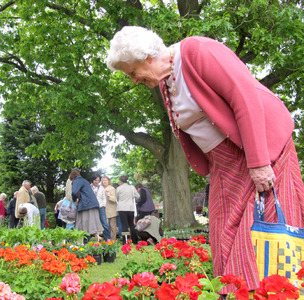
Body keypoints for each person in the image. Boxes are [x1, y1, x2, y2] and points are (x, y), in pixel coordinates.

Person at [106, 26, 304, 294]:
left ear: (147, 57)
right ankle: (233, 292)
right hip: (224, 167)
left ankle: (270, 293)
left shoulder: (197, 51)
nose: (133, 80)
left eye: (132, 72)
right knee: (224, 237)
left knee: (256, 235)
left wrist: (259, 163)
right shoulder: (167, 81)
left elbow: (245, 98)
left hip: (258, 153)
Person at [70, 169, 103, 242]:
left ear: (72, 176)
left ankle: (86, 240)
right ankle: (95, 237)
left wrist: (74, 200)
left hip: (86, 204)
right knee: (90, 222)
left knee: (84, 222)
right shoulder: (84, 181)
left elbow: (74, 192)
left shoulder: (77, 180)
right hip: (93, 203)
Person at [116, 175, 140, 244]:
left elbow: (117, 198)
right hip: (130, 208)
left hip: (122, 208)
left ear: (120, 181)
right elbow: (138, 196)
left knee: (124, 225)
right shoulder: (132, 188)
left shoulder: (119, 188)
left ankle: (125, 241)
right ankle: (134, 240)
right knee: (131, 224)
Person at [91, 173, 111, 241]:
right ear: (93, 180)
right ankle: (87, 239)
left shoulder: (101, 188)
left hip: (101, 207)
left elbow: (104, 198)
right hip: (92, 208)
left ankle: (108, 238)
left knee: (104, 223)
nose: (97, 182)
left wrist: (103, 205)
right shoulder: (89, 187)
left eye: (98, 180)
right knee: (91, 223)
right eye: (95, 180)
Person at [102, 176, 118, 241]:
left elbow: (114, 199)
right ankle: (107, 239)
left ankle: (113, 239)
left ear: (108, 181)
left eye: (106, 180)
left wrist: (108, 195)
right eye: (103, 180)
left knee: (113, 226)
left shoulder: (112, 189)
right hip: (103, 209)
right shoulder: (101, 188)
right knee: (105, 225)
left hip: (112, 210)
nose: (104, 182)